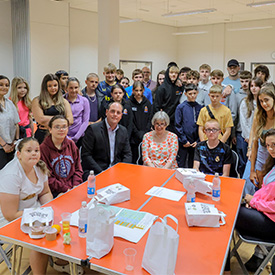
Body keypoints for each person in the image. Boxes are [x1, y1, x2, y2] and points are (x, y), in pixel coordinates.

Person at [0, 137, 53, 274]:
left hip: (33, 210)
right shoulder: (11, 175)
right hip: (9, 218)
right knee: (40, 236)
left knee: (57, 222)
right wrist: (39, 214)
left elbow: (45, 192)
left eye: (36, 150)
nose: (34, 153)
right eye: (28, 150)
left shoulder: (39, 167)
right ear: (19, 154)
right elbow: (10, 215)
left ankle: (61, 261)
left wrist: (49, 209)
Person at [226, 129, 275, 272]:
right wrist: (253, 203)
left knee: (231, 212)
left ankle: (225, 265)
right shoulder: (272, 165)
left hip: (271, 223)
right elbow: (266, 192)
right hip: (263, 213)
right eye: (268, 145)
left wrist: (254, 202)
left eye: (274, 144)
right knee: (233, 207)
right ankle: (229, 262)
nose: (271, 149)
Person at [81, 102, 132, 179]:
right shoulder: (93, 129)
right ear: (106, 112)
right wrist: (103, 173)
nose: (115, 114)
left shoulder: (123, 131)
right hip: (96, 172)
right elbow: (86, 155)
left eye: (118, 113)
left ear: (121, 116)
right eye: (112, 111)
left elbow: (127, 154)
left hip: (116, 171)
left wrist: (121, 170)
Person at [40, 115, 83, 198]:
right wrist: (66, 189)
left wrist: (75, 185)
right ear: (50, 129)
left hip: (74, 187)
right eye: (57, 127)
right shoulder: (43, 149)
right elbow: (47, 177)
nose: (61, 130)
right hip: (55, 191)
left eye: (64, 127)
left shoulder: (71, 144)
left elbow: (78, 169)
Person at [246, 83, 275, 195]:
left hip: (273, 164)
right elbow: (255, 144)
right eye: (261, 101)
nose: (264, 104)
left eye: (266, 100)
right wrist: (252, 170)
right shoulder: (259, 115)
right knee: (259, 193)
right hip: (261, 162)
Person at [32, 73, 73, 144]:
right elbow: (41, 119)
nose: (53, 88)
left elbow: (70, 120)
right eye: (50, 86)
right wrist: (62, 121)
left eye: (55, 85)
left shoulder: (64, 101)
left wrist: (49, 124)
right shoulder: (37, 100)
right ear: (45, 87)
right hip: (43, 135)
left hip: (60, 136)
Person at [175, 84, 202, 168]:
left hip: (195, 142)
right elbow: (177, 125)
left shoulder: (200, 107)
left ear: (197, 93)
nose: (193, 96)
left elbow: (201, 125)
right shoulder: (181, 107)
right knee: (181, 163)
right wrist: (184, 140)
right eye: (190, 94)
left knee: (193, 164)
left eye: (194, 93)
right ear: (185, 94)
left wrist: (197, 141)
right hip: (184, 142)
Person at [233, 71, 253, 176]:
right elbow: (235, 115)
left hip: (251, 133)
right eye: (242, 81)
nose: (244, 83)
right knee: (241, 161)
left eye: (247, 81)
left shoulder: (253, 96)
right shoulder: (236, 95)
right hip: (239, 132)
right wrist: (233, 134)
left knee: (250, 159)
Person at [129, 81, 153, 164]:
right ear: (133, 91)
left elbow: (150, 118)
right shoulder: (129, 103)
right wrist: (137, 133)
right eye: (136, 90)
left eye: (140, 90)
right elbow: (130, 121)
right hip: (133, 137)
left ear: (143, 90)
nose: (138, 93)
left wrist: (145, 132)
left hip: (145, 135)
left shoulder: (147, 103)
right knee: (134, 159)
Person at [154, 65, 182, 133]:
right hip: (165, 121)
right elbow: (156, 106)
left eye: (176, 73)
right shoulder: (162, 88)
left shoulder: (179, 87)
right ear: (167, 74)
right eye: (171, 73)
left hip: (177, 120)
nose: (173, 75)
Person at [0, 75, 20, 169]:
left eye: (7, 85)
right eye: (1, 85)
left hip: (11, 146)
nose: (4, 87)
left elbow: (16, 123)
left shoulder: (9, 102)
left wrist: (15, 141)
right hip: (1, 147)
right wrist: (4, 145)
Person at [64, 77, 90, 147]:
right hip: (63, 137)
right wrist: (65, 137)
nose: (74, 90)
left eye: (76, 87)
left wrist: (76, 137)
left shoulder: (84, 101)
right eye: (71, 88)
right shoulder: (62, 100)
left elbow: (85, 121)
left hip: (79, 137)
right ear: (66, 88)